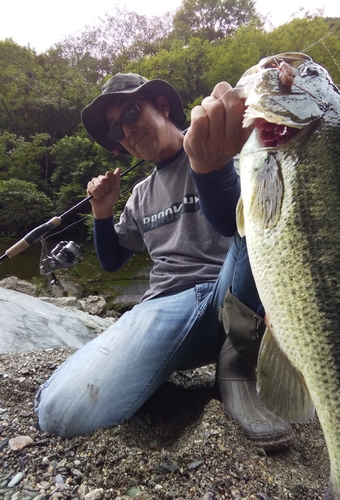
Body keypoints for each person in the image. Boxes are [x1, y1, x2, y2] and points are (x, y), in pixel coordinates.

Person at [35, 72, 292, 450]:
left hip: (233, 298)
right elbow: (112, 261)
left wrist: (210, 164)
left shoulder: (226, 149)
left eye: (130, 113)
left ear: (163, 106)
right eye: (114, 132)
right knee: (58, 411)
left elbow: (248, 227)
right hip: (164, 307)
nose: (125, 132)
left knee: (259, 219)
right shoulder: (140, 195)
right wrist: (103, 213)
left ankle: (236, 364)